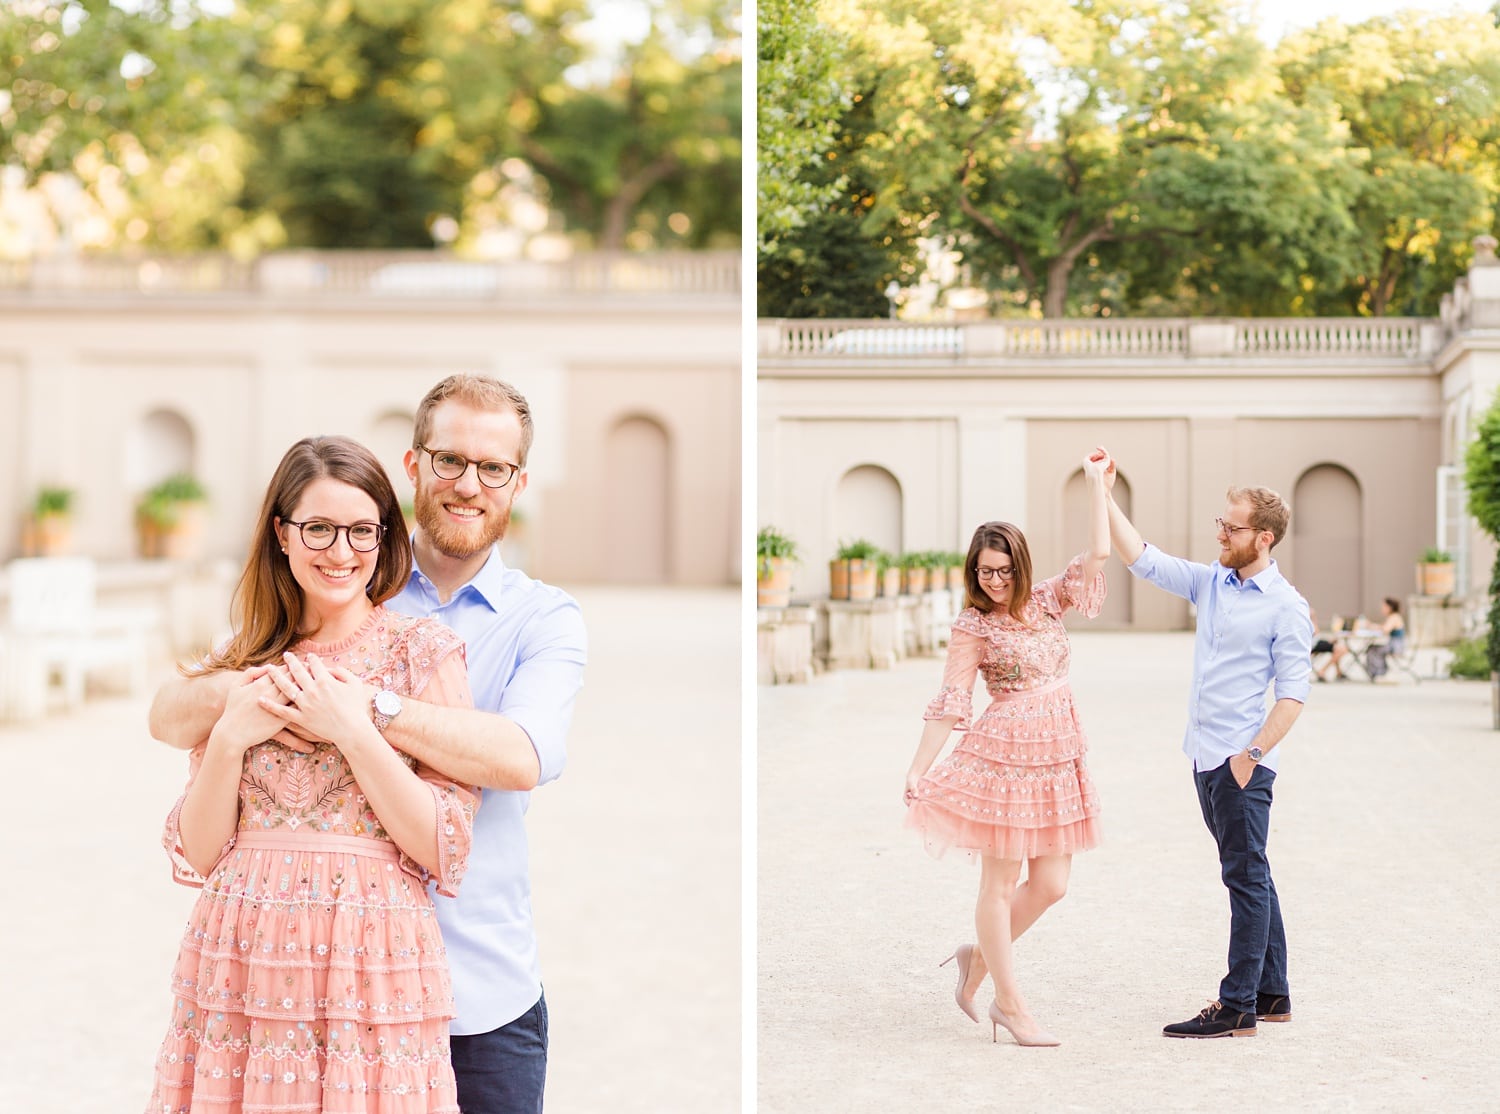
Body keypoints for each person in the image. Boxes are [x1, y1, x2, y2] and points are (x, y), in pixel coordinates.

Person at [150, 375, 587, 1113]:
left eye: (493, 468)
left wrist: (359, 710)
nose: (468, 484)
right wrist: (244, 698)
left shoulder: (540, 620)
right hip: (267, 980)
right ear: (413, 467)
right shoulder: (327, 590)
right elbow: (172, 714)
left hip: (472, 988)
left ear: (518, 481)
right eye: (450, 461)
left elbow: (521, 757)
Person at [145, 435, 481, 1110]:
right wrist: (231, 736)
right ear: (282, 533)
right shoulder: (240, 659)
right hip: (241, 956)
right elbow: (204, 851)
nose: (340, 551)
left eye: (362, 530)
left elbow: (442, 844)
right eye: (319, 528)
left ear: (385, 538)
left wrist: (353, 729)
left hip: (373, 958)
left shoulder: (424, 654)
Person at [1099, 452, 1312, 1039]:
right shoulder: (1212, 582)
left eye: (1232, 526)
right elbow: (1141, 559)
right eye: (1221, 523)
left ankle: (1238, 1003)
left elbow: (1292, 696)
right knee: (1253, 875)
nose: (1220, 533)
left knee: (1244, 880)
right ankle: (1272, 995)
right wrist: (1103, 492)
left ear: (1263, 538)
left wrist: (1250, 758)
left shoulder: (1286, 607)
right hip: (1203, 756)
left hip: (1239, 765)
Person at [902, 450, 1111, 1048]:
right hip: (1004, 760)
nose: (994, 580)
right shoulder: (974, 625)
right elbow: (949, 700)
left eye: (1002, 570)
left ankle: (976, 958)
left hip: (1057, 757)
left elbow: (1098, 554)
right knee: (997, 885)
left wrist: (1097, 485)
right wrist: (919, 766)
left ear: (1020, 565)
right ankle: (1010, 1005)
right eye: (984, 571)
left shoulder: (1047, 599)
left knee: (1052, 885)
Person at [1363, 597, 1407, 680]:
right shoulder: (1393, 617)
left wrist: (1372, 626)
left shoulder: (1394, 617)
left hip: (1395, 647)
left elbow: (1385, 629)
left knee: (1373, 650)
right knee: (1372, 648)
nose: (1382, 608)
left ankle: (1379, 672)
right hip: (1394, 645)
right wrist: (1373, 626)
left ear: (1389, 607)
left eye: (1384, 606)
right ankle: (1377, 671)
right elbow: (1383, 627)